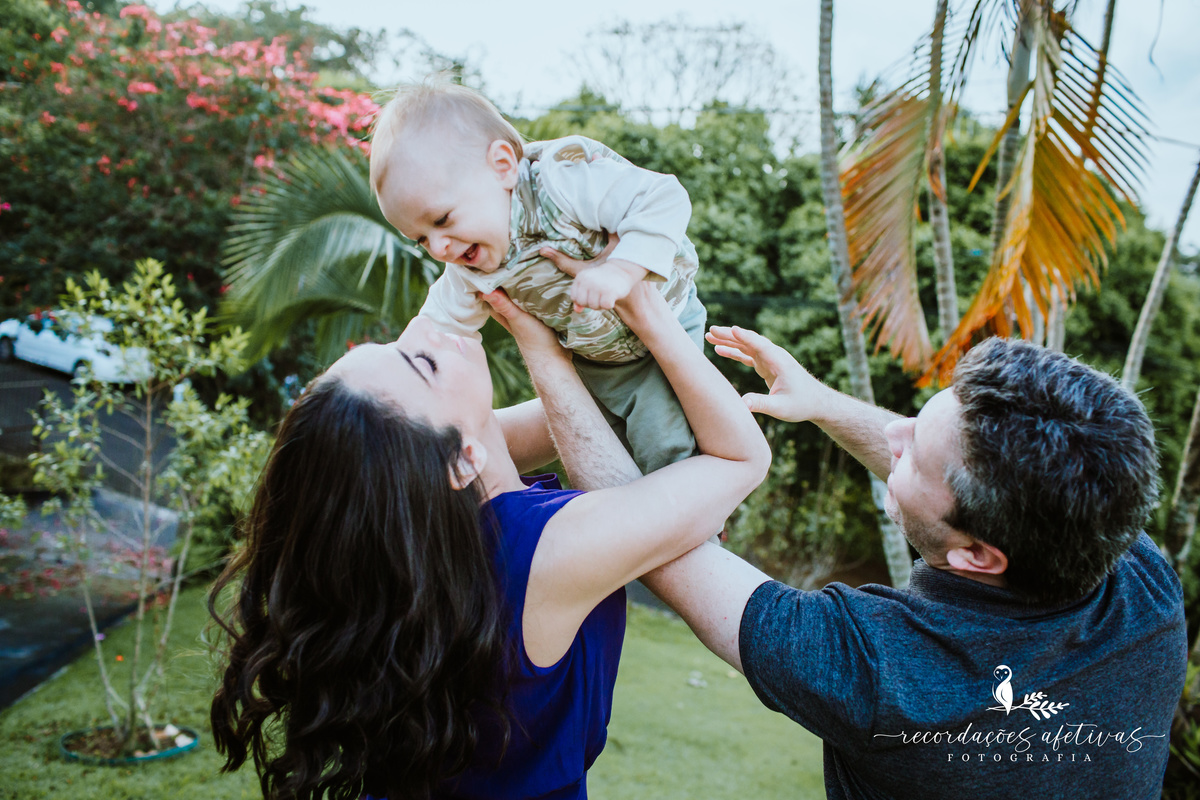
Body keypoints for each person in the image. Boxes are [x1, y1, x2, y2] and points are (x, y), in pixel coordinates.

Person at [502, 245, 1186, 800]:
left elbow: (640, 533)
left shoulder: (884, 676)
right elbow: (960, 477)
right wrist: (824, 403)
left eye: (914, 454)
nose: (895, 438)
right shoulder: (1136, 575)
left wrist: (540, 346)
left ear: (980, 555)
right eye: (919, 415)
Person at [207, 279, 770, 800]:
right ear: (459, 460)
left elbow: (584, 414)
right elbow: (742, 458)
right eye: (420, 361)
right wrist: (642, 314)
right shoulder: (547, 552)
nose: (427, 331)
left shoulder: (431, 513)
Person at [368, 80, 706, 476]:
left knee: (665, 441)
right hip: (597, 357)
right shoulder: (466, 268)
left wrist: (621, 270)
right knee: (605, 454)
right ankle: (644, 528)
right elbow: (433, 330)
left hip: (664, 323)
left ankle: (700, 529)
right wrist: (390, 386)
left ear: (503, 167)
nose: (440, 248)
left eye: (442, 219)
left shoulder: (560, 184)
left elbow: (662, 196)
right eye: (421, 238)